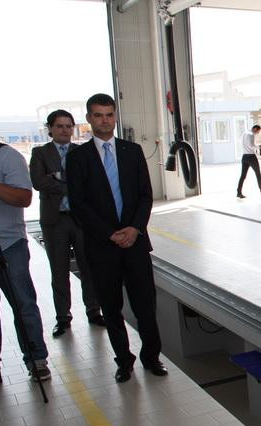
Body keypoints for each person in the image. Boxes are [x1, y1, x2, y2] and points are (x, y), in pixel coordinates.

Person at [66, 93, 167, 383]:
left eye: (109, 114)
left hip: (135, 243)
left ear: (115, 117)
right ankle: (124, 361)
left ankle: (152, 357)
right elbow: (79, 204)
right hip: (102, 246)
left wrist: (134, 229)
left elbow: (145, 195)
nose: (104, 120)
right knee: (111, 308)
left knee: (145, 305)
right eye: (98, 115)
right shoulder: (78, 158)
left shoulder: (132, 151)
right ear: (89, 119)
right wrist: (109, 233)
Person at [30, 109, 105, 338]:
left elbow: (91, 183)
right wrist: (70, 183)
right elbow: (38, 181)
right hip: (55, 220)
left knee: (88, 267)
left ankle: (94, 310)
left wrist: (56, 176)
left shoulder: (82, 152)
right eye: (59, 126)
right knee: (59, 270)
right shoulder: (40, 153)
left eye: (68, 126)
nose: (64, 130)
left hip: (81, 219)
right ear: (50, 129)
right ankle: (63, 317)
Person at [0, 141, 51, 381]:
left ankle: (36, 359)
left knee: (23, 304)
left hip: (9, 245)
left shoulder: (7, 156)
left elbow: (24, 197)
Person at [236, 124, 261, 198]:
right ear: (255, 129)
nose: (257, 133)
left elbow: (246, 144)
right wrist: (259, 146)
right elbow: (251, 146)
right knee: (258, 173)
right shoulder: (251, 134)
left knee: (243, 176)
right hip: (251, 157)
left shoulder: (245, 133)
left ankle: (238, 192)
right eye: (258, 131)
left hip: (244, 156)